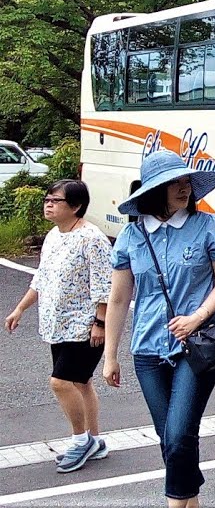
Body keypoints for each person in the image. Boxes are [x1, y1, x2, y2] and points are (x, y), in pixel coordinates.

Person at [103, 150, 215, 508]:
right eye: (173, 183)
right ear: (153, 190)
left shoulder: (208, 226)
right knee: (171, 440)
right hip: (147, 350)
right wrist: (110, 355)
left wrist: (198, 316)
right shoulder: (132, 236)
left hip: (198, 346)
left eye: (186, 181)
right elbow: (119, 298)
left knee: (178, 436)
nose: (184, 188)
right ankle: (191, 499)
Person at [5, 180, 113, 473]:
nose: (48, 204)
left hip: (84, 326)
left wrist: (100, 323)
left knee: (60, 382)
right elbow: (41, 278)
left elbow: (105, 284)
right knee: (81, 382)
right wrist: (20, 308)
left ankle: (80, 441)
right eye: (47, 199)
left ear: (76, 207)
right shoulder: (54, 235)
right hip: (59, 324)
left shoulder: (92, 238)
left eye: (56, 200)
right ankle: (95, 440)